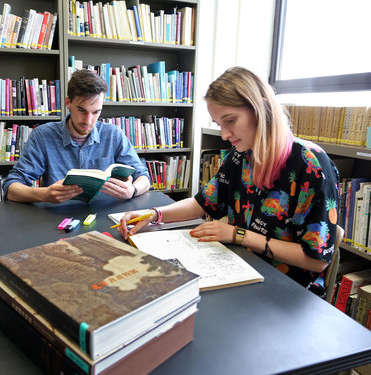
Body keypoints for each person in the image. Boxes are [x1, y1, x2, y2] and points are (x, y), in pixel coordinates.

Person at [118, 66, 339, 294]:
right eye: (219, 125)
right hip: (239, 268)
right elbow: (203, 203)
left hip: (287, 290)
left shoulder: (311, 165)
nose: (224, 135)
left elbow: (316, 260)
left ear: (260, 108)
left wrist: (238, 235)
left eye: (230, 121)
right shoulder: (240, 155)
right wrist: (154, 215)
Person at [3, 69, 151, 203]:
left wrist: (133, 190)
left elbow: (143, 176)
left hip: (105, 215)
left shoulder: (113, 134)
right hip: (58, 219)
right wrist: (45, 194)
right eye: (82, 110)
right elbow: (11, 187)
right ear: (68, 102)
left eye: (96, 112)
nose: (88, 120)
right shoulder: (42, 136)